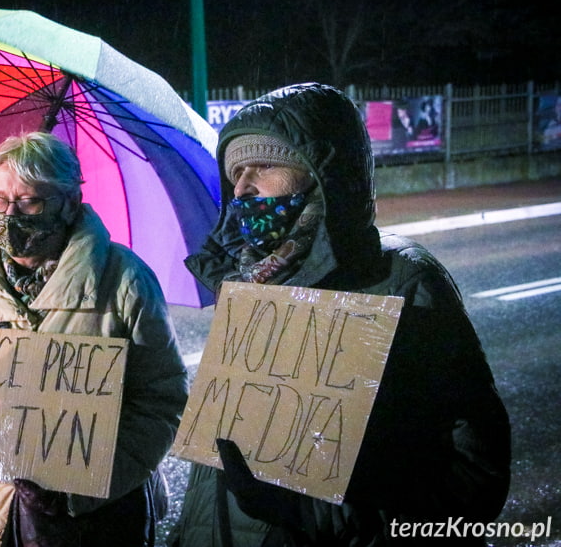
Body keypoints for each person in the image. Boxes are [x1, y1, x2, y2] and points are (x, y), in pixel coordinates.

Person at [168, 83, 511, 546]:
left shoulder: (404, 283)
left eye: (263, 166)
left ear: (319, 174)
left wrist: (318, 515)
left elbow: (473, 474)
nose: (243, 188)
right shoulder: (248, 283)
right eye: (237, 173)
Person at [0, 131, 187, 547]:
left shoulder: (126, 279)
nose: (10, 215)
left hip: (93, 521)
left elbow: (160, 403)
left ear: (69, 203)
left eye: (29, 201)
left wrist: (78, 489)